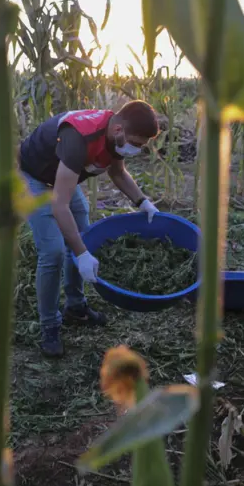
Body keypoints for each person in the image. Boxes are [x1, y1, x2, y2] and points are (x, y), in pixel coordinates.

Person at [18, 100, 162, 357]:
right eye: (137, 144)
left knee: (84, 233)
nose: (137, 150)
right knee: (53, 252)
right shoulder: (79, 139)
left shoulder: (116, 137)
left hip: (62, 175)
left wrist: (143, 202)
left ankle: (75, 307)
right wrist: (81, 253)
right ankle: (49, 325)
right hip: (35, 177)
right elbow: (59, 205)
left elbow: (118, 173)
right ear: (118, 129)